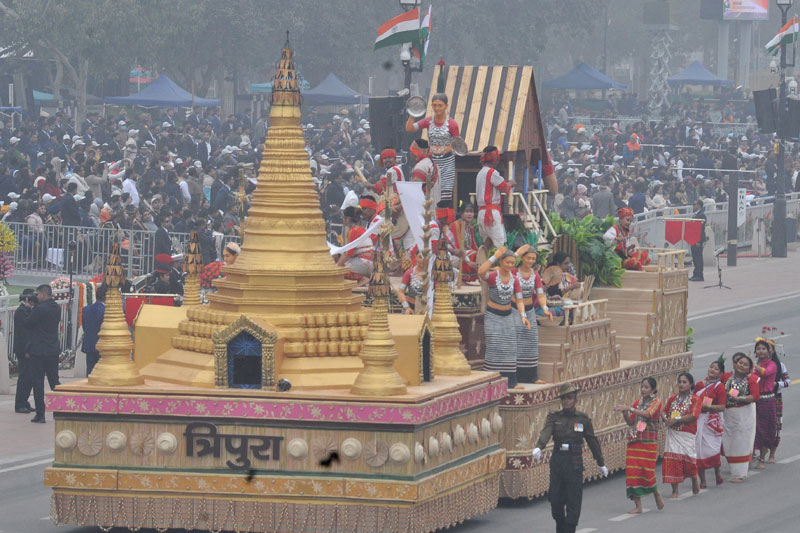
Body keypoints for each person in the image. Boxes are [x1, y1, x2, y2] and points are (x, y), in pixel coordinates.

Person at [532, 383, 608, 533]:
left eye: (569, 398)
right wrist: (539, 446)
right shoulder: (554, 417)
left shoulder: (582, 419)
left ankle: (569, 528)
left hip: (574, 461)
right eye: (563, 398)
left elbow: (592, 441)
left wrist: (600, 462)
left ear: (575, 400)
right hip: (558, 460)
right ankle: (560, 524)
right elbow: (546, 432)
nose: (566, 401)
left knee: (573, 498)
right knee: (555, 499)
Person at [477, 246, 529, 388]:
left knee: (510, 348)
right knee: (495, 346)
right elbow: (481, 272)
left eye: (513, 263)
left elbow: (519, 299)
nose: (510, 265)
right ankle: (492, 380)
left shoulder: (514, 280)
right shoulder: (494, 276)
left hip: (508, 317)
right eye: (507, 262)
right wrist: (494, 256)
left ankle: (511, 381)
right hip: (493, 316)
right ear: (500, 262)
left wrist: (523, 316)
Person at [613, 377, 665, 514]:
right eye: (642, 387)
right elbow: (631, 423)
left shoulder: (656, 402)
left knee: (647, 471)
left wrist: (629, 408)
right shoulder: (638, 402)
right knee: (632, 472)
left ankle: (655, 493)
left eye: (646, 387)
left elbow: (648, 414)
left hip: (649, 441)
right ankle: (638, 505)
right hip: (635, 440)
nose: (643, 390)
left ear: (653, 389)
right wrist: (625, 412)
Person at [406, 92, 460, 202]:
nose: (437, 108)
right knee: (429, 195)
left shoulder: (452, 124)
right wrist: (413, 112)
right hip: (432, 163)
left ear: (446, 106)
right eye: (434, 105)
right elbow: (410, 128)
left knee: (444, 197)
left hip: (447, 163)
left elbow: (457, 144)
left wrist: (445, 150)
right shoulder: (428, 121)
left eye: (440, 105)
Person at [512, 245, 552, 383]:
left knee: (531, 343)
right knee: (515, 342)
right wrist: (517, 253)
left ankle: (532, 377)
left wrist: (545, 308)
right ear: (522, 258)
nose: (530, 261)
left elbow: (540, 294)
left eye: (533, 259)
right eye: (528, 258)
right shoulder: (513, 272)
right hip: (514, 311)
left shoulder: (535, 275)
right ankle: (514, 377)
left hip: (529, 311)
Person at [24, 284, 62, 423]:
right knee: (54, 382)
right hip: (52, 350)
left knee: (38, 383)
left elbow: (28, 323)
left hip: (39, 351)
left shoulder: (39, 309)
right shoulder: (57, 308)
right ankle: (61, 410)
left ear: (44, 294)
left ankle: (40, 414)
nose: (37, 296)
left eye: (38, 294)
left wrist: (29, 309)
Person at [661, 372, 701, 498]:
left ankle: (694, 478)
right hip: (673, 433)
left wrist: (676, 419)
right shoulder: (673, 399)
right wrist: (664, 418)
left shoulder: (695, 399)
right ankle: (675, 490)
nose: (681, 384)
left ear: (690, 384)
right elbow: (663, 411)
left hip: (687, 434)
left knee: (689, 460)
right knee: (672, 460)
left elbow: (694, 415)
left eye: (684, 382)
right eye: (680, 382)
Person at [722, 352, 759, 482]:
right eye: (740, 363)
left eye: (745, 364)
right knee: (729, 443)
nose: (742, 365)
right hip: (728, 415)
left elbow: (755, 396)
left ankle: (739, 474)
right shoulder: (726, 377)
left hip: (743, 415)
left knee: (741, 443)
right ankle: (735, 468)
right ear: (735, 364)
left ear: (749, 369)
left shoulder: (752, 380)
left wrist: (739, 398)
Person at [694, 356, 727, 488]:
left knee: (712, 449)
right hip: (699, 420)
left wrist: (708, 408)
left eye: (716, 369)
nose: (712, 370)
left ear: (720, 373)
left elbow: (722, 407)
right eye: (711, 367)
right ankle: (703, 480)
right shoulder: (699, 385)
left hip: (712, 422)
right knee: (698, 449)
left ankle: (717, 471)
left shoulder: (720, 387)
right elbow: (694, 401)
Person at [475, 146, 513, 249]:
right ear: (495, 159)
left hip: (482, 213)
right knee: (499, 244)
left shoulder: (480, 173)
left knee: (488, 243)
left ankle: (483, 262)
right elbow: (504, 187)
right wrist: (511, 184)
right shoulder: (492, 172)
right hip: (491, 213)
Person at [752, 339, 778, 469]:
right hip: (753, 401)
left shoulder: (772, 364)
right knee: (751, 429)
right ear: (755, 351)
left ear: (769, 351)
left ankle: (762, 459)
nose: (761, 351)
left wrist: (752, 366)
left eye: (763, 349)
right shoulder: (753, 364)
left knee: (764, 430)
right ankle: (751, 456)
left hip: (766, 401)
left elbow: (765, 373)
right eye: (758, 349)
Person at [13, 289, 36, 413]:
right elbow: (25, 332)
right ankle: (19, 403)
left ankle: (25, 401)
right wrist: (26, 349)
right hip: (23, 349)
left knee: (30, 377)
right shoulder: (21, 311)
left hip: (29, 348)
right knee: (24, 377)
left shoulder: (28, 311)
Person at [766, 339, 789, 463]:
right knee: (759, 425)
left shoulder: (780, 365)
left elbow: (787, 382)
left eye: (767, 348)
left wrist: (777, 383)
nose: (763, 350)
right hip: (761, 397)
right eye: (760, 348)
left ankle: (772, 454)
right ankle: (756, 454)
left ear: (773, 350)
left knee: (776, 426)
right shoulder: (756, 365)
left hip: (775, 397)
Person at [81, 285, 107, 375]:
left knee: (90, 371)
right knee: (101, 373)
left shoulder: (86, 309)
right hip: (102, 345)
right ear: (105, 297)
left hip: (89, 344)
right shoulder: (106, 310)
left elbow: (85, 326)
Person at [396, 248, 425, 314]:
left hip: (428, 308)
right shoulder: (409, 273)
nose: (423, 260)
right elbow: (400, 292)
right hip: (411, 307)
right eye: (420, 257)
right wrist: (407, 307)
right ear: (415, 257)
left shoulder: (432, 274)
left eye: (425, 257)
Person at [689, 200, 706, 282]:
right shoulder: (696, 214)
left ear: (699, 205)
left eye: (694, 204)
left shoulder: (701, 215)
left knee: (698, 257)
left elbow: (700, 229)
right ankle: (695, 273)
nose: (693, 206)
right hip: (693, 238)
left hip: (697, 240)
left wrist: (698, 241)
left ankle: (699, 275)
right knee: (695, 257)